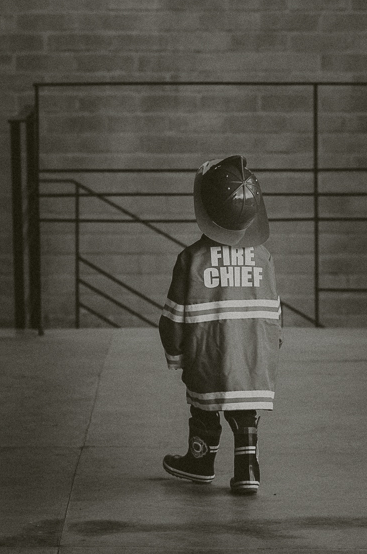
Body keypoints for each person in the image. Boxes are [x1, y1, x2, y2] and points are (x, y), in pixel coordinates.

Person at [159, 155, 282, 495]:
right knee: (245, 413)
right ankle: (247, 469)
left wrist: (176, 355)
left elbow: (173, 319)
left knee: (204, 407)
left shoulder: (191, 260)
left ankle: (200, 461)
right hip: (254, 361)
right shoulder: (264, 258)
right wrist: (270, 353)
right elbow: (275, 316)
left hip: (207, 359)